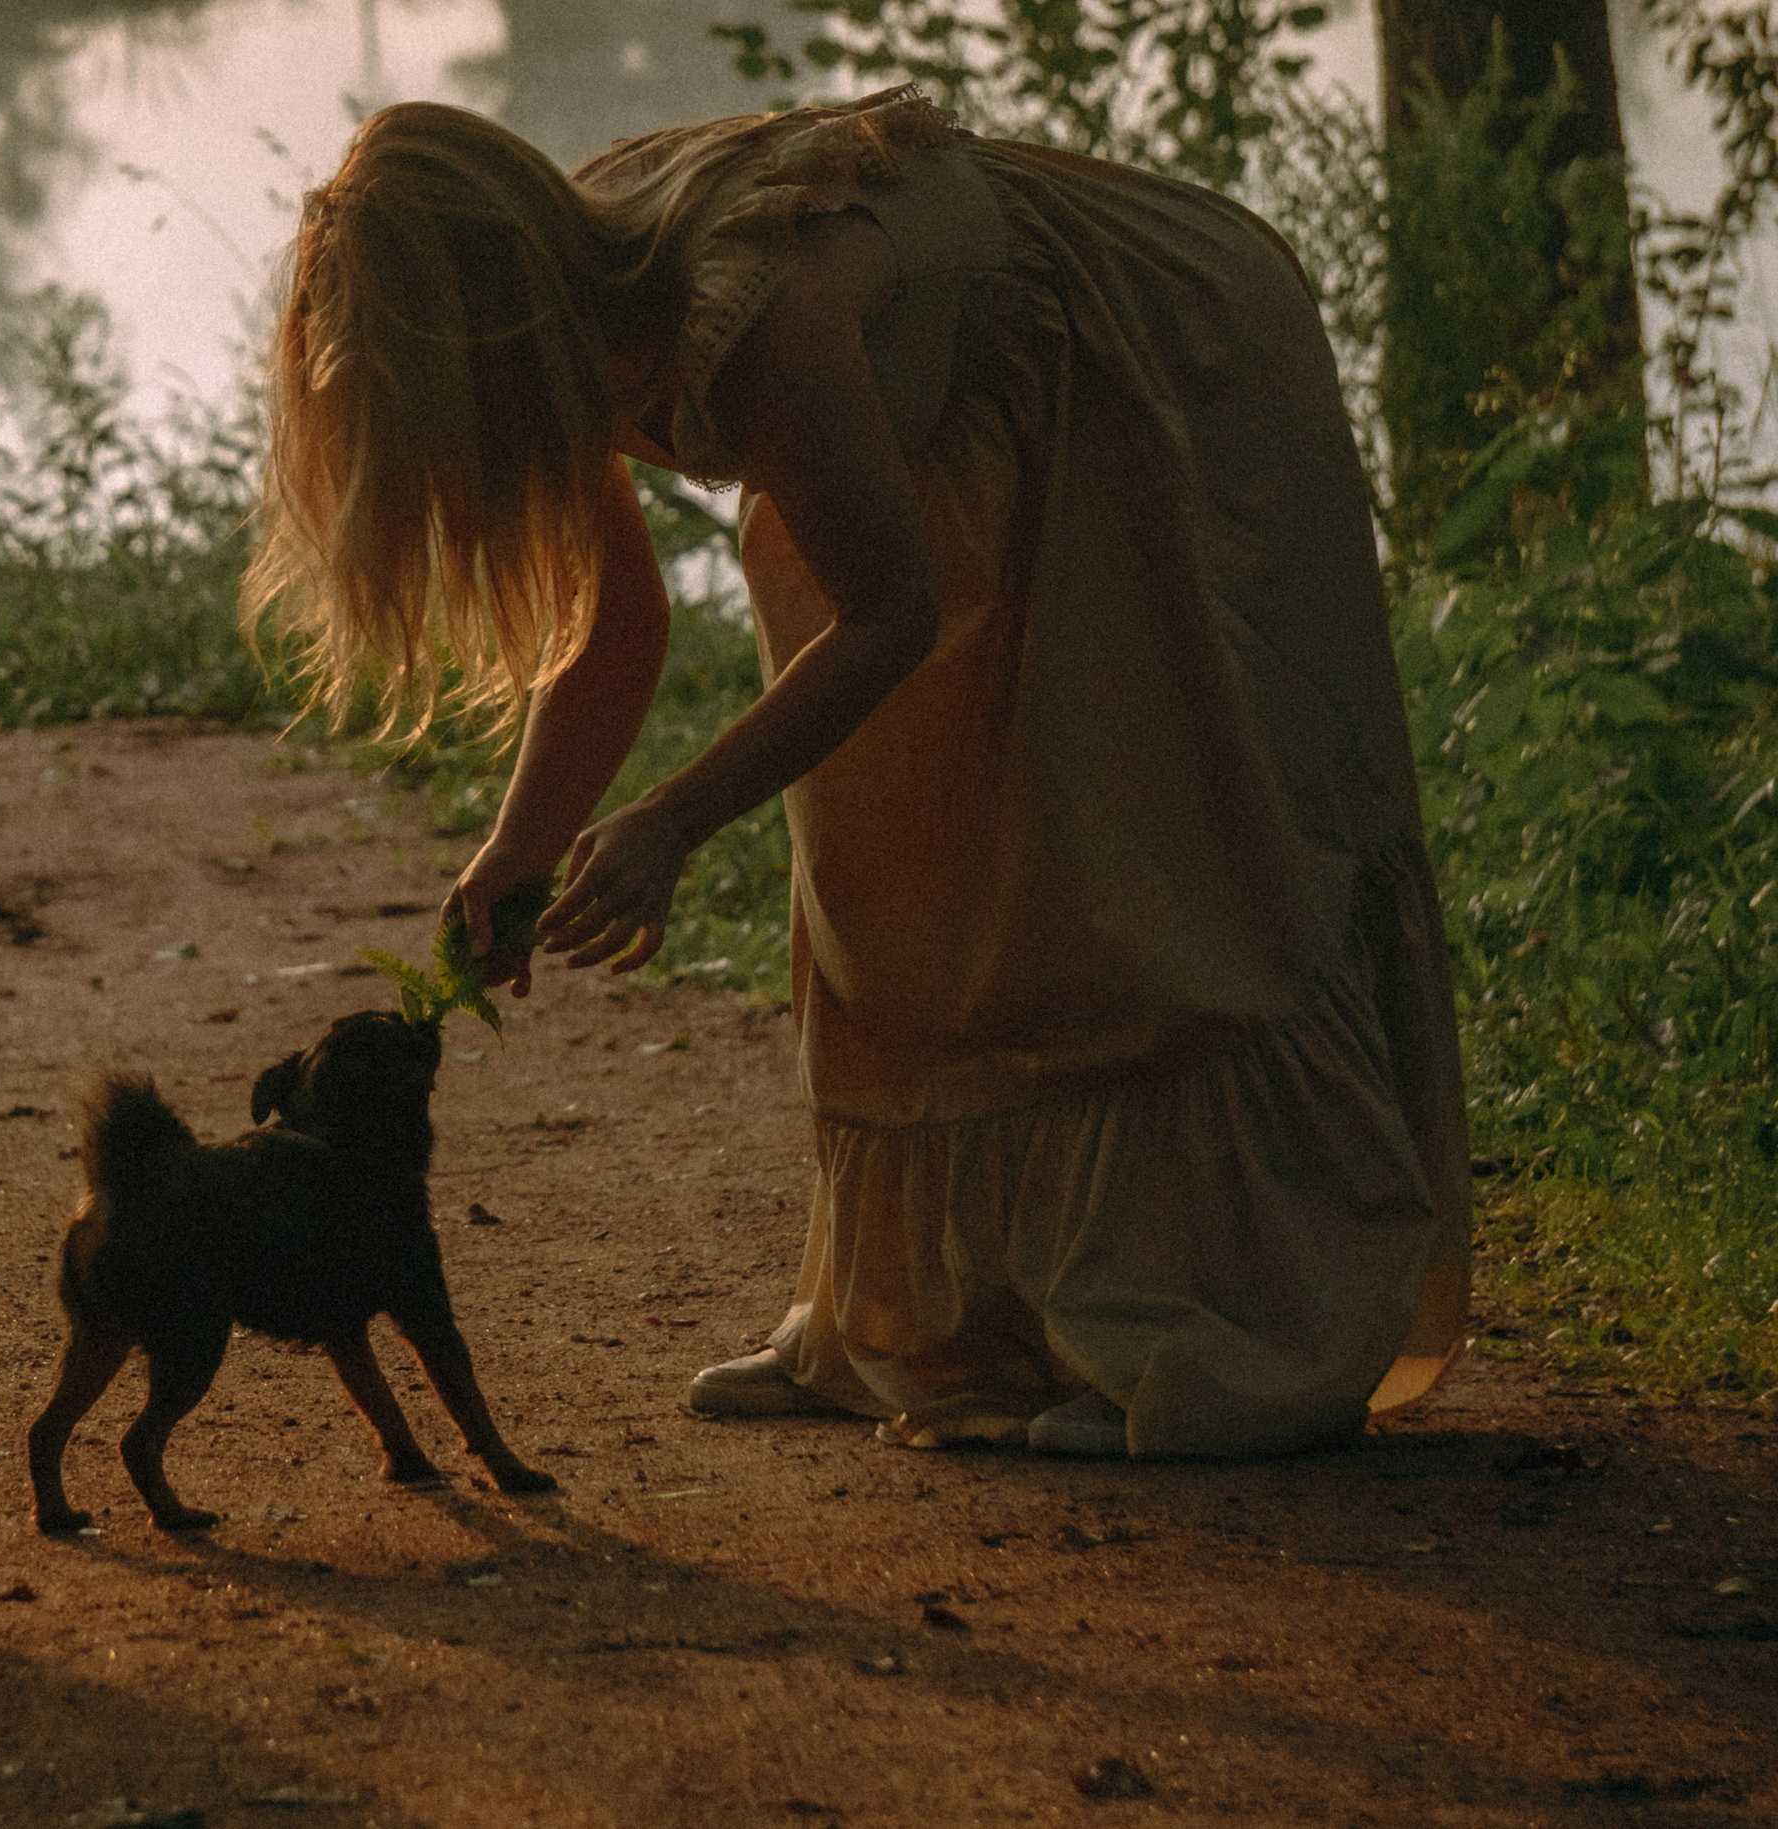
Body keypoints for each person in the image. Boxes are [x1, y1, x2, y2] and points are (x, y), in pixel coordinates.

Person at [248, 87, 1472, 1460]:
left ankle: (1212, 1338)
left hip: (1149, 362)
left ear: (492, 326)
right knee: (902, 853)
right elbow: (617, 629)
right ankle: (927, 1322)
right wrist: (517, 850)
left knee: (1134, 846)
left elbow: (885, 617)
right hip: (953, 423)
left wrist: (670, 823)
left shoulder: (761, 314)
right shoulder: (577, 322)